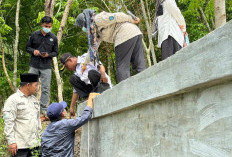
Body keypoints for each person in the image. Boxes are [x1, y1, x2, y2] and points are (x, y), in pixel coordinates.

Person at [75, 9, 146, 83]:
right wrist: (85, 64)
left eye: (83, 26)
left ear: (86, 21)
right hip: (135, 33)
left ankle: (125, 91)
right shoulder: (95, 31)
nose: (84, 29)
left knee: (122, 66)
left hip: (124, 34)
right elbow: (92, 48)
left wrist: (132, 20)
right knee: (139, 63)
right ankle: (145, 84)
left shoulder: (98, 19)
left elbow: (117, 16)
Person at [41, 93, 100, 157]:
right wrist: (90, 98)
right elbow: (85, 116)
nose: (65, 109)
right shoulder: (66, 124)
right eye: (64, 108)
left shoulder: (46, 132)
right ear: (63, 113)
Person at [60, 52, 112, 117]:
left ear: (70, 60)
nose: (68, 69)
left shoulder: (86, 57)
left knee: (91, 73)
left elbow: (100, 66)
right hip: (93, 89)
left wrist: (104, 77)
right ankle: (88, 98)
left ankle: (100, 91)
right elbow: (76, 91)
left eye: (67, 66)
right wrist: (71, 107)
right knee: (72, 78)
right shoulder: (76, 72)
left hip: (102, 83)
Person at [26, 16, 58, 118]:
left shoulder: (53, 37)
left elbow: (56, 52)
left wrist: (48, 55)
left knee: (45, 88)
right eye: (46, 26)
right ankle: (28, 107)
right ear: (41, 24)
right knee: (29, 85)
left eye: (50, 26)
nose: (48, 28)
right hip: (34, 64)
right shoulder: (34, 35)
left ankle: (43, 109)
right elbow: (27, 47)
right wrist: (33, 51)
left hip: (46, 65)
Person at [3, 73, 42, 157]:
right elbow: (8, 122)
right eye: (35, 85)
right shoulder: (13, 100)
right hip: (20, 146)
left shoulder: (34, 100)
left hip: (35, 144)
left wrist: (40, 139)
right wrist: (11, 141)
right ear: (28, 85)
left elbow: (37, 121)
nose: (37, 88)